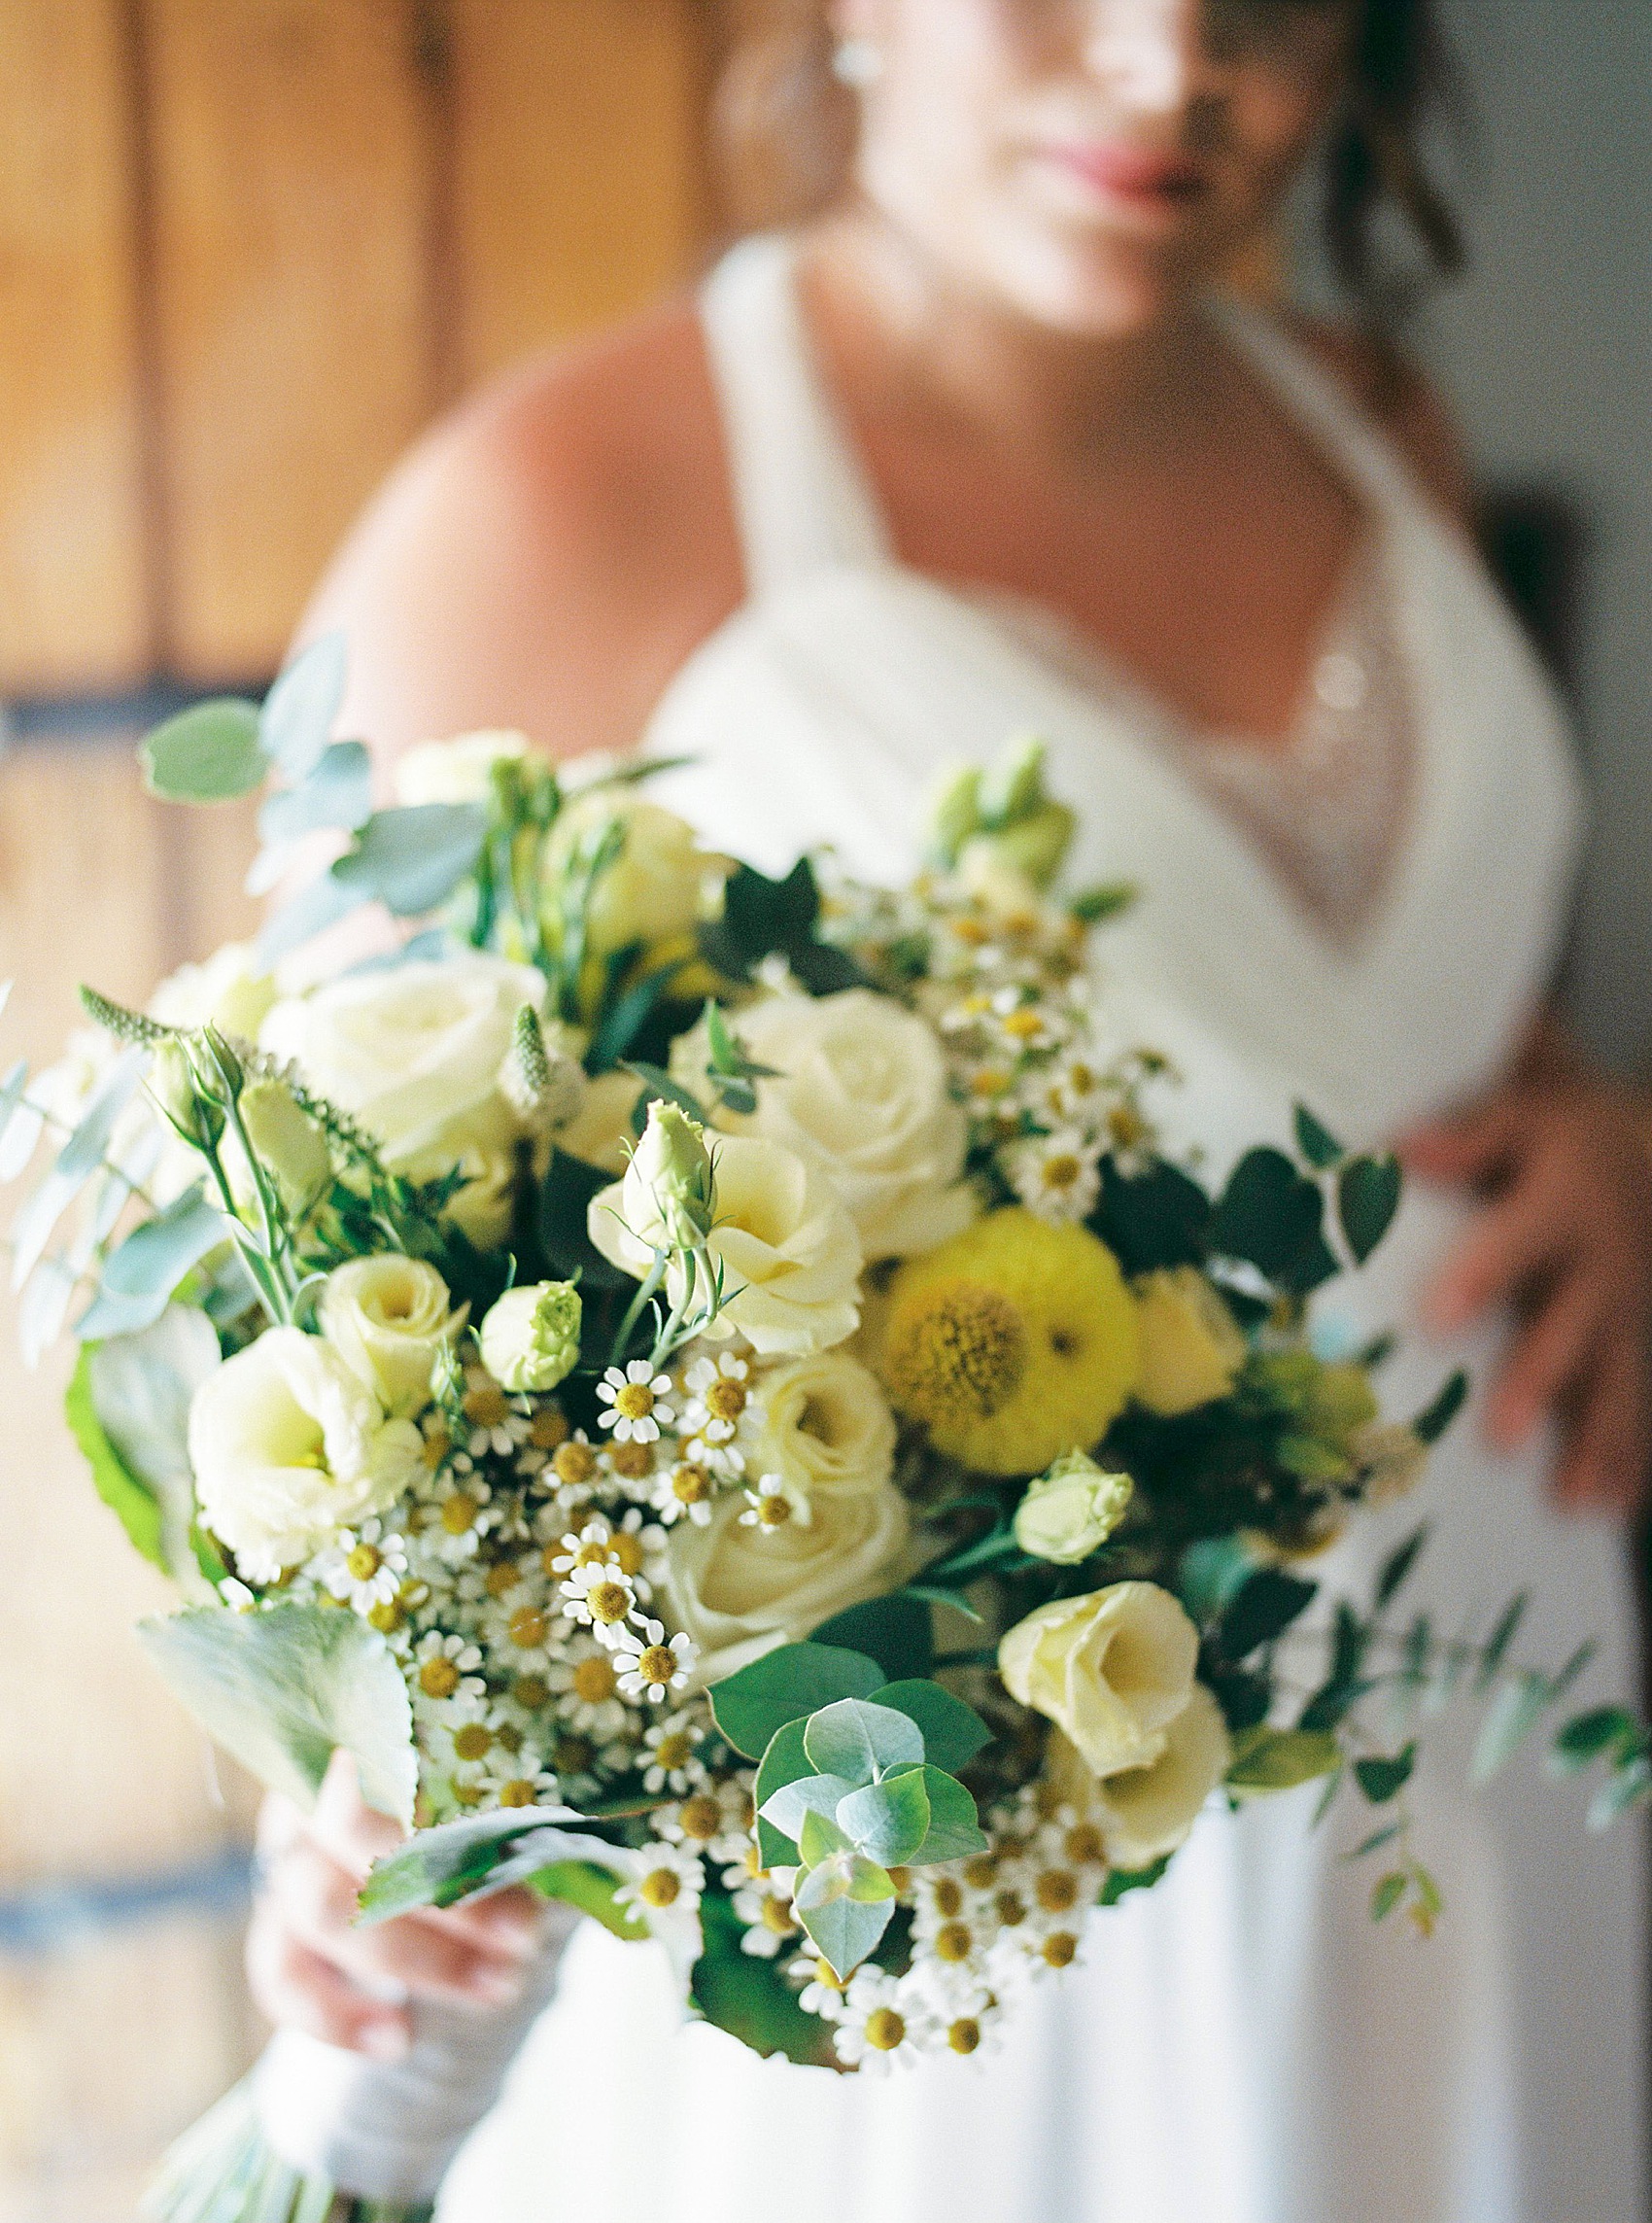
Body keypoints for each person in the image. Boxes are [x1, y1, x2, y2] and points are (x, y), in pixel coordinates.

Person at [245, 3, 1652, 2217]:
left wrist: (1597, 1120)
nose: (1169, 65)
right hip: (976, 1852)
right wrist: (353, 1777)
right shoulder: (559, 511)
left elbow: (1385, 1019)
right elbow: (315, 1292)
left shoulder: (1372, 420)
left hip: (1492, 1685)